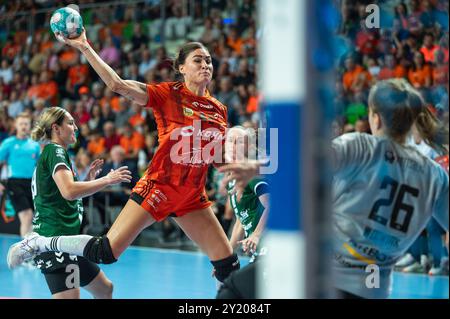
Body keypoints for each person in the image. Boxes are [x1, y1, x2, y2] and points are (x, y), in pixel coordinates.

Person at [7, 29, 240, 286]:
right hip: (159, 186)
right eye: (198, 59)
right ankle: (39, 242)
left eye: (208, 60)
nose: (206, 64)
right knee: (105, 252)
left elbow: (217, 157)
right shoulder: (167, 95)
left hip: (192, 196)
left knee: (228, 266)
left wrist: (244, 170)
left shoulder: (219, 109)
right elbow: (116, 84)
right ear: (182, 68)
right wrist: (84, 46)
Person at [332, 78, 448, 298]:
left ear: (375, 118)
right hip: (375, 289)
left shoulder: (360, 146)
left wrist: (257, 167)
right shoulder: (435, 175)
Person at [12, 107, 132, 299]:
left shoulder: (56, 154)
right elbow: (69, 192)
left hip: (68, 240)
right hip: (55, 242)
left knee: (105, 289)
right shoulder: (55, 151)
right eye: (70, 123)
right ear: (56, 128)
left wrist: (89, 180)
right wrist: (107, 180)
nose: (76, 127)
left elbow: (66, 196)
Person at [0, 112, 40, 237]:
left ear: (29, 126)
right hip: (14, 183)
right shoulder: (9, 143)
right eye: (21, 123)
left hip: (31, 184)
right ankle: (24, 250)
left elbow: (39, 167)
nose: (24, 126)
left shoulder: (35, 145)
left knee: (32, 218)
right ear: (16, 125)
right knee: (26, 216)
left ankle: (28, 247)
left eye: (26, 124)